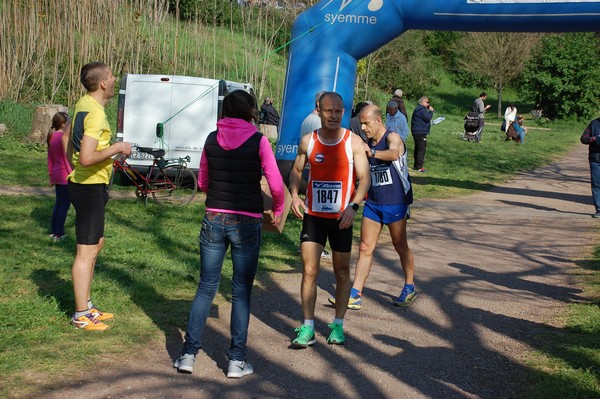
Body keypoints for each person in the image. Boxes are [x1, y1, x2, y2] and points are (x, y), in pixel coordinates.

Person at [174, 90, 285, 378]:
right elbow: (274, 181)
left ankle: (188, 354)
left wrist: (217, 194)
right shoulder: (259, 141)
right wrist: (279, 206)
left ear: (225, 110)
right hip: (247, 221)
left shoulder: (211, 139)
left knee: (206, 287)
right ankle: (236, 361)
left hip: (213, 217)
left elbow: (203, 181)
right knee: (241, 292)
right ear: (250, 110)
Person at [289, 92, 370, 348]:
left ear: (343, 112)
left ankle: (337, 324)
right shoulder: (308, 141)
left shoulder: (353, 142)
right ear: (319, 111)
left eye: (338, 111)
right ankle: (308, 326)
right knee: (309, 271)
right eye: (328, 111)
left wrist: (353, 207)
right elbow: (296, 170)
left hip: (341, 219)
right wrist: (294, 195)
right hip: (313, 216)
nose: (333, 115)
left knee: (342, 272)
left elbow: (364, 178)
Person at [329, 104, 416, 309]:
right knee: (365, 247)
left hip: (395, 202)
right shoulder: (367, 143)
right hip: (373, 203)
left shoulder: (392, 138)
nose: (364, 127)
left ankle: (410, 286)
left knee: (400, 246)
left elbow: (393, 154)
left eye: (367, 123)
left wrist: (372, 153)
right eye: (361, 124)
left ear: (378, 121)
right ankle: (355, 293)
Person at [67, 62, 132, 331]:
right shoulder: (94, 113)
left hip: (89, 185)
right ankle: (81, 314)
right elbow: (86, 157)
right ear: (103, 83)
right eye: (111, 76)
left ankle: (88, 306)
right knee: (86, 251)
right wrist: (117, 147)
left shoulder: (83, 104)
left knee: (96, 244)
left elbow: (67, 139)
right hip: (88, 187)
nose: (115, 79)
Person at [47, 111, 72, 242]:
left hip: (57, 174)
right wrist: (72, 174)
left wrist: (51, 176)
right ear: (62, 124)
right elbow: (66, 158)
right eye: (68, 122)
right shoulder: (63, 138)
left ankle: (53, 231)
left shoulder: (52, 137)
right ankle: (59, 234)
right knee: (64, 205)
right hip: (65, 176)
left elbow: (50, 158)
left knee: (58, 204)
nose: (69, 124)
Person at [580, 117, 600, 218]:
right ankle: (599, 209)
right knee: (596, 184)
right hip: (595, 159)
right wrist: (593, 139)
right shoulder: (594, 123)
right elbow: (583, 138)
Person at [411, 96, 434, 172]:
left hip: (416, 131)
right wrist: (430, 111)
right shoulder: (421, 109)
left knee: (417, 148)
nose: (428, 104)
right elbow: (427, 118)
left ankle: (416, 165)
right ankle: (419, 167)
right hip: (420, 132)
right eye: (427, 102)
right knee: (421, 149)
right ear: (422, 102)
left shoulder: (418, 109)